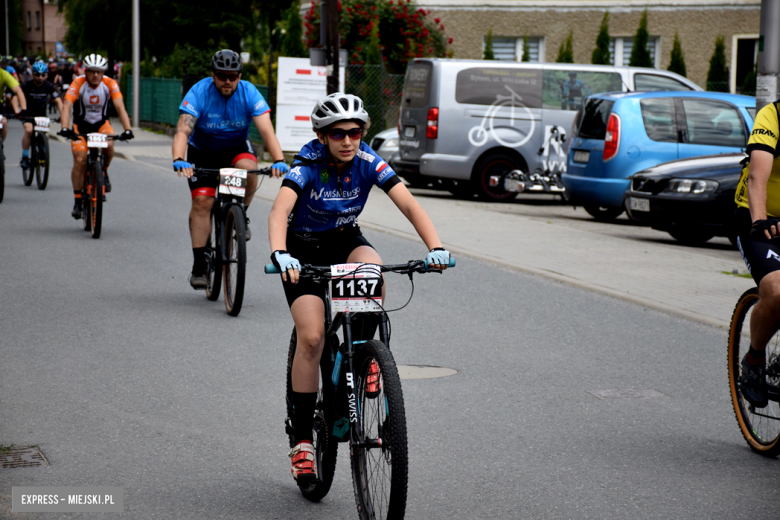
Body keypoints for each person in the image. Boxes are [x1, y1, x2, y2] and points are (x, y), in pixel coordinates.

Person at [267, 92, 450, 482]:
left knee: (374, 266)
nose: (347, 140)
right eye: (337, 134)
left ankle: (363, 356)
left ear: (362, 133)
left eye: (353, 132)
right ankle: (301, 441)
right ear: (322, 138)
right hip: (301, 249)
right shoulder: (307, 165)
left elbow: (410, 205)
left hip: (344, 237)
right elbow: (280, 210)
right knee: (313, 337)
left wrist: (435, 247)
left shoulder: (369, 162)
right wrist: (281, 253)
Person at [172, 49, 288, 290]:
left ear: (239, 76)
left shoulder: (248, 93)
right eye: (222, 75)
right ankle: (199, 267)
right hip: (202, 152)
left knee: (249, 169)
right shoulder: (199, 92)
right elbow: (183, 131)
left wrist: (278, 159)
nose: (227, 81)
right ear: (213, 75)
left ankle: (240, 214)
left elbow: (267, 131)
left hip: (235, 149)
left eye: (232, 76)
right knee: (203, 203)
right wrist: (179, 158)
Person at [733, 97, 780, 409]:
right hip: (759, 220)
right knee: (777, 290)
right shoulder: (772, 115)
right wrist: (760, 220)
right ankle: (753, 358)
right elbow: (757, 175)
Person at [57, 53, 134, 220]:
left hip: (101, 125)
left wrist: (128, 129)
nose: (95, 75)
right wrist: (64, 127)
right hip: (81, 126)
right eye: (91, 71)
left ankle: (103, 172)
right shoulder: (78, 83)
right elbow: (66, 105)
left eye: (99, 71)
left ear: (103, 72)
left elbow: (120, 108)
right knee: (80, 159)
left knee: (110, 144)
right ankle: (78, 201)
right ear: (85, 71)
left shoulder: (109, 83)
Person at [19, 61, 62, 169]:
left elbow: (58, 100)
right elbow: (17, 96)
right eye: (37, 75)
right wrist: (18, 111)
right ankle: (24, 157)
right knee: (29, 130)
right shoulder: (26, 85)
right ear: (32, 74)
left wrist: (63, 115)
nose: (40, 78)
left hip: (42, 116)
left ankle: (43, 151)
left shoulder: (49, 85)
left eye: (43, 75)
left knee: (45, 133)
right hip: (28, 115)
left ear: (46, 75)